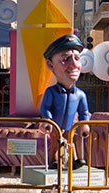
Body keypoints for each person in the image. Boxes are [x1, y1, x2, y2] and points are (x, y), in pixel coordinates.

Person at [39, 34, 90, 170]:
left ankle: (74, 161)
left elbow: (84, 112)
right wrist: (47, 120)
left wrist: (84, 125)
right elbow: (46, 107)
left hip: (71, 126)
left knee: (70, 143)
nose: (74, 64)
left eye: (77, 58)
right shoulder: (51, 92)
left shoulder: (80, 94)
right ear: (50, 64)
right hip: (55, 125)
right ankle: (53, 160)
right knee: (55, 143)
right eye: (65, 59)